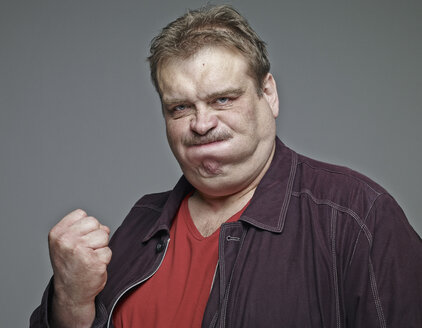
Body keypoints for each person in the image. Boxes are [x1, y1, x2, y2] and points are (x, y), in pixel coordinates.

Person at [30, 5, 422, 328]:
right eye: (180, 107)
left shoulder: (356, 217)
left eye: (222, 100)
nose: (201, 124)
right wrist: (70, 302)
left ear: (267, 94)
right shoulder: (140, 224)